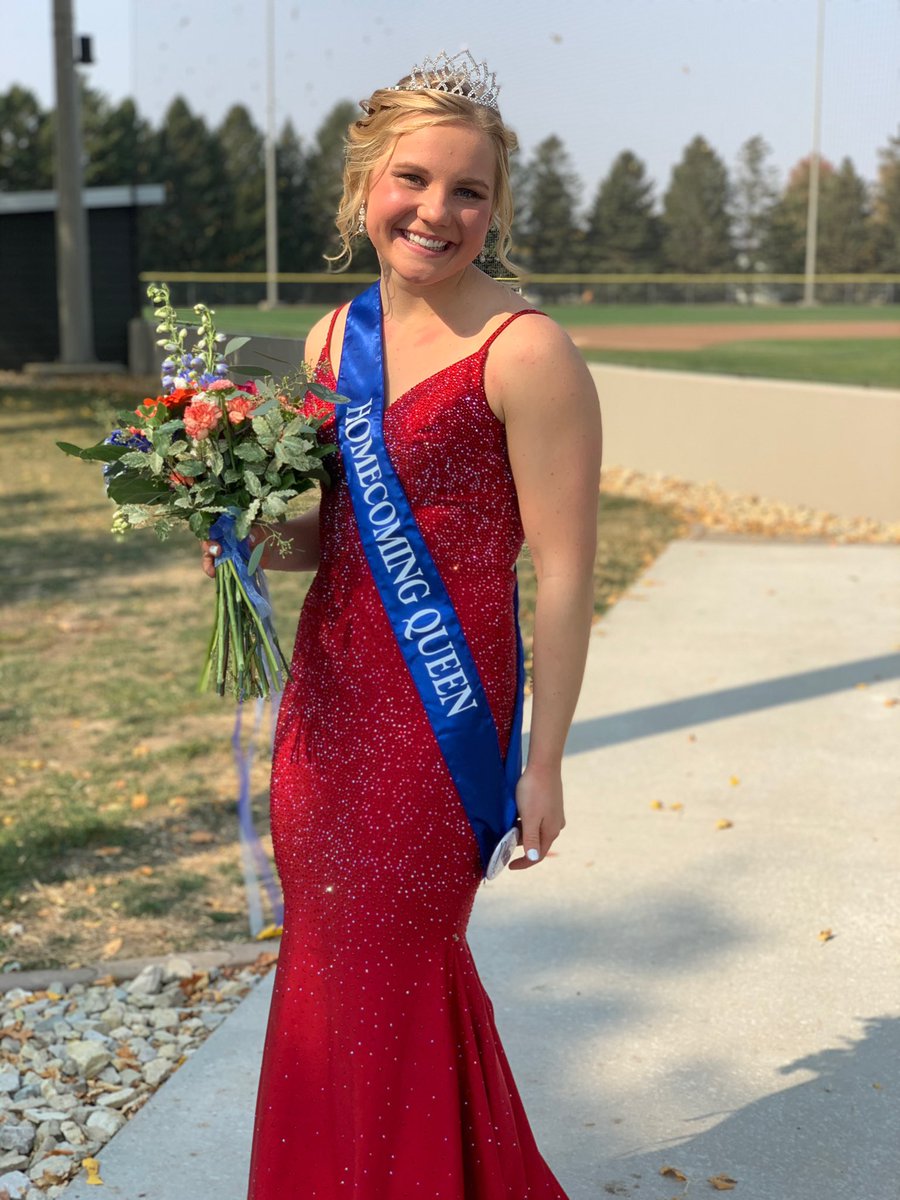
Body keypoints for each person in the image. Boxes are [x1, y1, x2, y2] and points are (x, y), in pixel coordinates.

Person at [203, 50, 601, 1200]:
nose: (438, 210)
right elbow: (334, 535)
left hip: (438, 726)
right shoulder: (334, 342)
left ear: (498, 208)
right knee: (330, 978)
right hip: (326, 711)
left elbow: (568, 572)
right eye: (413, 180)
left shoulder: (527, 352)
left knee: (400, 972)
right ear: (364, 190)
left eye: (469, 190)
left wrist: (547, 761)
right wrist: (236, 538)